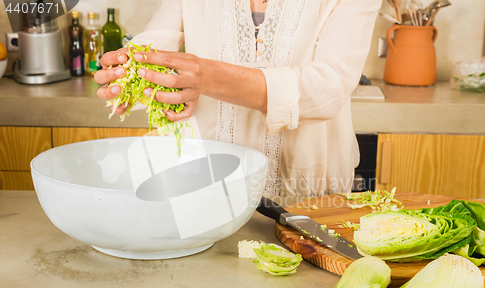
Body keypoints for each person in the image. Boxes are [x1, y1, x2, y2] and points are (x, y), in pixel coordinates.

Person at [94, 0, 382, 196]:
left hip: (306, 193)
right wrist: (130, 66)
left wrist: (209, 76)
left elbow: (328, 87)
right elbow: (157, 39)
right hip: (205, 187)